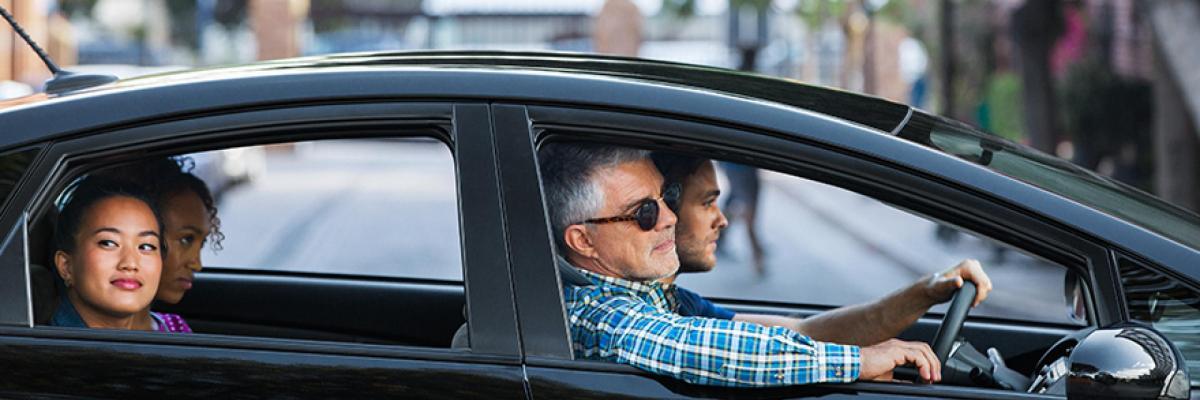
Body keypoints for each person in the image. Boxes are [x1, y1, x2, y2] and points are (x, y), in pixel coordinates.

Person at [539, 143, 964, 387]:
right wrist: (859, 361)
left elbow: (797, 333)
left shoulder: (664, 300)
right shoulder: (595, 315)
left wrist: (924, 292)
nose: (667, 218)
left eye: (666, 199)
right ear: (583, 240)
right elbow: (699, 348)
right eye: (644, 213)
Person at [651, 152, 992, 347]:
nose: (723, 220)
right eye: (707, 203)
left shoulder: (681, 305)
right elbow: (760, 356)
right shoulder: (644, 319)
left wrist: (925, 291)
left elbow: (804, 332)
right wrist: (857, 363)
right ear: (661, 211)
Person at [49, 177, 190, 333]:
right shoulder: (44, 350)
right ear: (66, 266)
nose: (130, 263)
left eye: (146, 246)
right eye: (108, 243)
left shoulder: (169, 333)